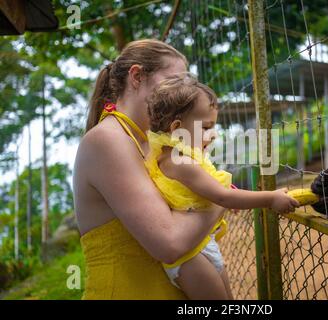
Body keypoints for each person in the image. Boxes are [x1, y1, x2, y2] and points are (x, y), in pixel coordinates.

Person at [73, 39, 226, 299]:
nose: (182, 94)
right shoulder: (108, 139)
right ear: (137, 76)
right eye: (173, 81)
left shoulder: (151, 143)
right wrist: (219, 195)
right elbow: (171, 243)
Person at [145, 74, 300, 299]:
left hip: (201, 245)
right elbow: (223, 198)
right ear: (177, 127)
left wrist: (232, 191)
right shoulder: (181, 161)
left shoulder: (179, 156)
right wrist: (270, 198)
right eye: (206, 127)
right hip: (190, 258)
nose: (214, 134)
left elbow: (208, 187)